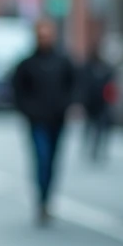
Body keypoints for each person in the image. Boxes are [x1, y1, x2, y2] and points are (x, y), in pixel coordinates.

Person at [11, 18, 77, 226]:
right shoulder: (27, 64)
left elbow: (74, 86)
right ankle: (41, 199)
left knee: (53, 161)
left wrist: (69, 105)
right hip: (36, 120)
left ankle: (48, 198)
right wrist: (27, 110)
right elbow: (18, 91)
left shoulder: (63, 61)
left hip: (57, 120)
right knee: (41, 157)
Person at [79, 38, 115, 164]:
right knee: (90, 126)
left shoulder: (106, 67)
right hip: (90, 102)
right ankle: (90, 147)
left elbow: (111, 84)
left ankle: (96, 149)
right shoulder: (87, 67)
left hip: (102, 102)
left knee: (100, 127)